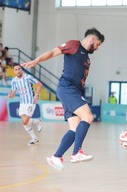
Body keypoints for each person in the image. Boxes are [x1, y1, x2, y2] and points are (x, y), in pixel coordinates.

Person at [21, 27, 105, 172]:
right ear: (92, 39)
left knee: (74, 128)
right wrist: (36, 60)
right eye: (98, 44)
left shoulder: (87, 58)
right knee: (88, 116)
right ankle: (76, 152)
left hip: (75, 91)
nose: (97, 48)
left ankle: (56, 157)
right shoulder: (74, 45)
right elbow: (54, 52)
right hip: (67, 88)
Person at [7, 64, 43, 145]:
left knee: (26, 121)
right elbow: (13, 93)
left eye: (19, 69)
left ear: (21, 69)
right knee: (24, 123)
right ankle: (34, 138)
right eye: (16, 70)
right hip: (22, 103)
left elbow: (40, 84)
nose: (18, 71)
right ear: (14, 71)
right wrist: (10, 95)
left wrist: (36, 95)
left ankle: (38, 121)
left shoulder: (28, 77)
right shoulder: (14, 81)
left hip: (31, 101)